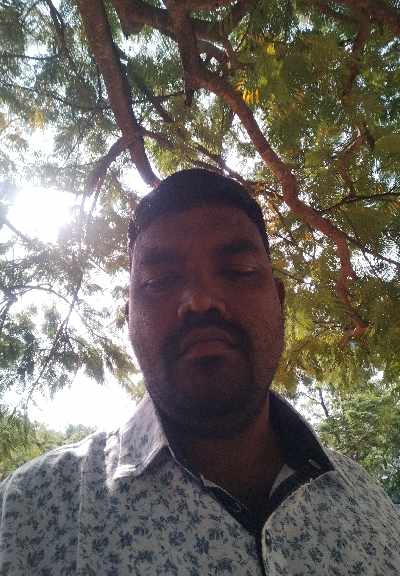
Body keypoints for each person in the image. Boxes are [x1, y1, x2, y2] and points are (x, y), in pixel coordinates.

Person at [1, 168, 399, 575]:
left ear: (279, 301)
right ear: (129, 318)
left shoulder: (373, 510)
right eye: (160, 280)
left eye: (239, 271)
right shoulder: (30, 513)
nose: (201, 301)